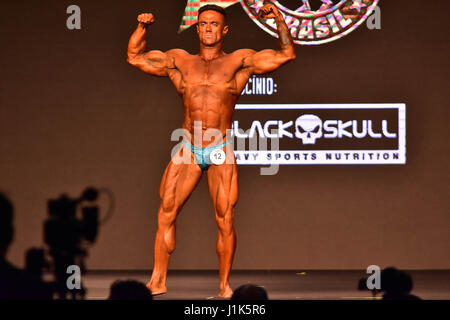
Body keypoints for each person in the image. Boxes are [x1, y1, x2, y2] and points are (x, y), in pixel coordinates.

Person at [127, 3, 296, 298]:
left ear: (224, 30)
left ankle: (224, 286)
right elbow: (134, 57)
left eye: (214, 24)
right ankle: (157, 280)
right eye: (203, 23)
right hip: (189, 146)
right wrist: (142, 27)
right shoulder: (179, 61)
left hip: (220, 147)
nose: (208, 28)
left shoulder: (239, 61)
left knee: (225, 218)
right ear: (196, 27)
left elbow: (286, 54)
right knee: (166, 211)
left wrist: (279, 19)